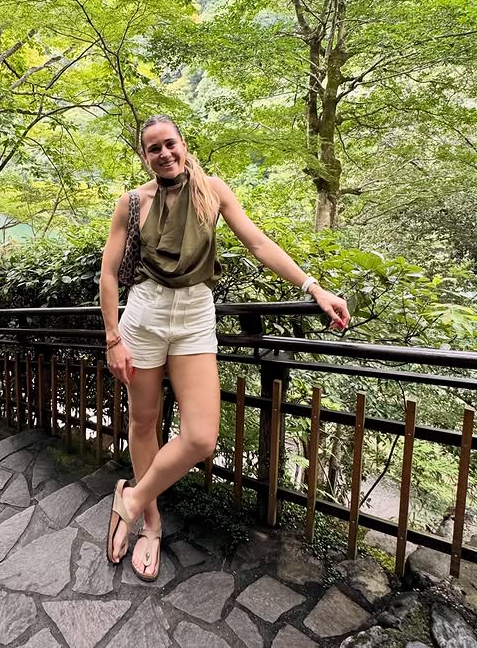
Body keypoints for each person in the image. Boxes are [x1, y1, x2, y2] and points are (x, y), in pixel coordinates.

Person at [99, 115, 350, 581]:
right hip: (144, 317)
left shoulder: (211, 190)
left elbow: (258, 243)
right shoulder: (132, 202)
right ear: (144, 156)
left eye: (170, 144)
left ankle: (130, 498)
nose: (164, 154)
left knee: (200, 437)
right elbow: (109, 273)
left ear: (183, 144)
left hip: (194, 319)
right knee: (143, 421)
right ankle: (150, 523)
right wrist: (113, 337)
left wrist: (314, 288)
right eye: (153, 148)